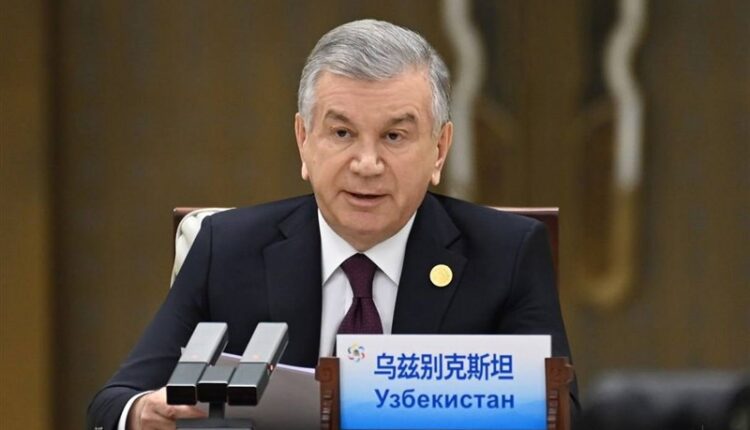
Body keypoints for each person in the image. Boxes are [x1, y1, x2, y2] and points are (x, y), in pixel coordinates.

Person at [88, 19, 577, 430]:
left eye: (394, 136)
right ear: (303, 140)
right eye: (342, 132)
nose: (367, 163)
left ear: (439, 149)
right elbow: (115, 402)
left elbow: (559, 413)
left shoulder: (506, 254)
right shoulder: (227, 247)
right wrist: (144, 412)